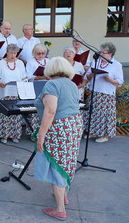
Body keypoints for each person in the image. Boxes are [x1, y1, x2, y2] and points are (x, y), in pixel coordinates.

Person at [34, 57, 83, 221]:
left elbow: (50, 111)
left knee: (56, 165)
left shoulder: (51, 84)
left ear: (50, 69)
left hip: (59, 128)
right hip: (74, 125)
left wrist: (41, 135)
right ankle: (64, 196)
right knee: (67, 161)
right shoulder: (71, 84)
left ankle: (60, 209)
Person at [83, 42, 124, 143]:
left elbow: (120, 81)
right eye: (100, 52)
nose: (101, 54)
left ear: (110, 54)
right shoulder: (96, 62)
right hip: (94, 90)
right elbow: (87, 75)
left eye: (103, 52)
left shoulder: (116, 64)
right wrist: (90, 75)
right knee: (93, 112)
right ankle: (92, 132)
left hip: (106, 93)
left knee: (104, 114)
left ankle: (105, 135)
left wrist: (110, 80)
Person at [0, 44, 27, 144]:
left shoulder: (20, 63)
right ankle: (4, 135)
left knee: (16, 114)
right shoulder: (1, 63)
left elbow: (24, 77)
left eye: (15, 53)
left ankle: (15, 135)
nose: (13, 55)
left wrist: (24, 82)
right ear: (7, 52)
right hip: (4, 92)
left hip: (16, 92)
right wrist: (0, 84)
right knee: (5, 114)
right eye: (11, 53)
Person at [25, 43, 50, 136]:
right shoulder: (30, 62)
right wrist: (41, 77)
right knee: (36, 110)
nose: (40, 55)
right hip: (35, 86)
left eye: (43, 53)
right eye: (38, 53)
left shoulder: (48, 61)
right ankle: (34, 133)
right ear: (34, 53)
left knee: (46, 109)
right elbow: (28, 76)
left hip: (46, 86)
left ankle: (45, 133)